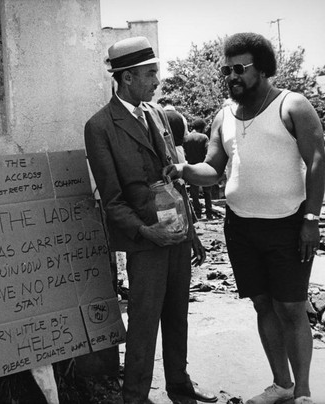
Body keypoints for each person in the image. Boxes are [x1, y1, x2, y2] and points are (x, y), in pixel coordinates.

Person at [163, 32, 325, 404]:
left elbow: (317, 161)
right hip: (241, 227)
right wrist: (183, 169)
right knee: (263, 304)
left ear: (263, 69)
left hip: (289, 223)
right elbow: (213, 170)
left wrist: (312, 218)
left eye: (240, 68)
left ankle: (303, 392)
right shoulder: (225, 115)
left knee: (291, 307)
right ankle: (281, 384)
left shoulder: (292, 105)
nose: (231, 76)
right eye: (227, 70)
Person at [84, 36, 217, 404]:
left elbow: (173, 178)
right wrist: (146, 231)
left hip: (176, 235)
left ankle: (180, 388)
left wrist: (191, 232)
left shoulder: (157, 113)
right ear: (126, 78)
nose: (157, 80)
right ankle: (136, 397)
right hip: (145, 243)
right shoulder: (100, 127)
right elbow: (111, 200)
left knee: (178, 317)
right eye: (150, 73)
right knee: (144, 324)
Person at [183, 118, 214, 219]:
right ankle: (209, 214)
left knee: (194, 192)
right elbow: (207, 152)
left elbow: (184, 154)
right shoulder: (204, 137)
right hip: (203, 167)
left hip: (191, 168)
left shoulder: (186, 138)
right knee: (207, 191)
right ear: (202, 128)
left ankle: (198, 214)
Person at [158, 97, 188, 163]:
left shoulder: (159, 116)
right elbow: (185, 136)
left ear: (162, 104)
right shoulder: (181, 117)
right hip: (179, 151)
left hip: (165, 152)